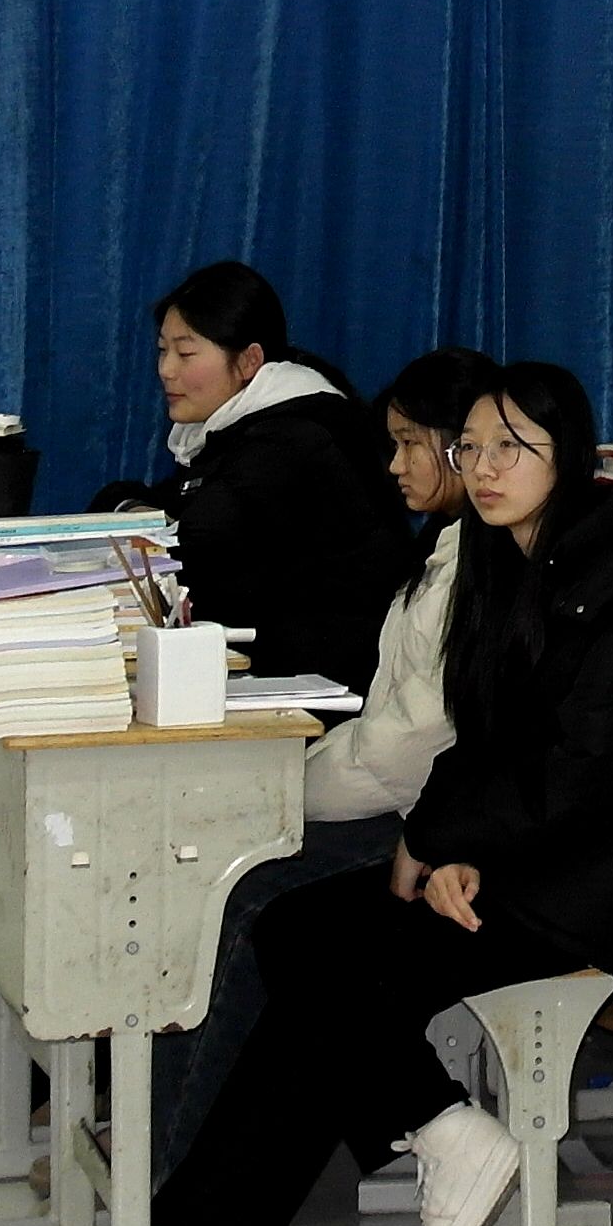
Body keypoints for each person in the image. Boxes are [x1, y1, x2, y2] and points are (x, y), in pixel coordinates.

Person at [148, 361, 613, 1226]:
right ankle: (436, 1131)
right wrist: (444, 844)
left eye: (512, 447)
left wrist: (448, 845)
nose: (485, 468)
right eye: (471, 448)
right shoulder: (507, 558)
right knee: (297, 930)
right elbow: (483, 737)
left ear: (568, 455)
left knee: (338, 968)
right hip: (541, 857)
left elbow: (587, 773)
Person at [157, 346, 497, 1144]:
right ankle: (162, 1135)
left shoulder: (479, 565)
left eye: (410, 444)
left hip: (425, 822)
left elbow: (407, 749)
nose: (394, 466)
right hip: (407, 803)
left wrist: (285, 798)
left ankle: (174, 1160)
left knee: (243, 893)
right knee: (210, 872)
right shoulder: (444, 547)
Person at [134, 262, 408, 689]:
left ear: (249, 360)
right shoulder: (233, 430)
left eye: (185, 354)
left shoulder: (291, 439)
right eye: (162, 350)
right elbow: (165, 506)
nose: (166, 370)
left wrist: (142, 521)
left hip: (325, 688)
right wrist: (133, 510)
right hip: (279, 664)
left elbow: (193, 544)